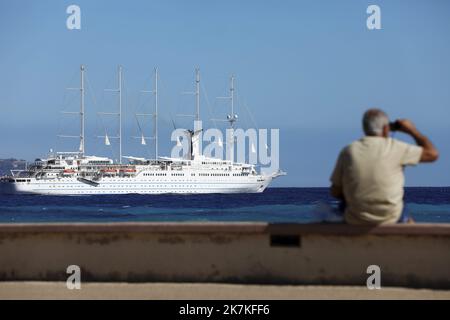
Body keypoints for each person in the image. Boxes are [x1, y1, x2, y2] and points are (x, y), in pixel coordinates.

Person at [330, 108, 439, 225]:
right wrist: (411, 130)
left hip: (356, 217)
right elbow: (432, 154)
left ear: (364, 128)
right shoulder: (395, 147)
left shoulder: (349, 151)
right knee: (399, 202)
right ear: (386, 128)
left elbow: (335, 191)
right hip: (390, 216)